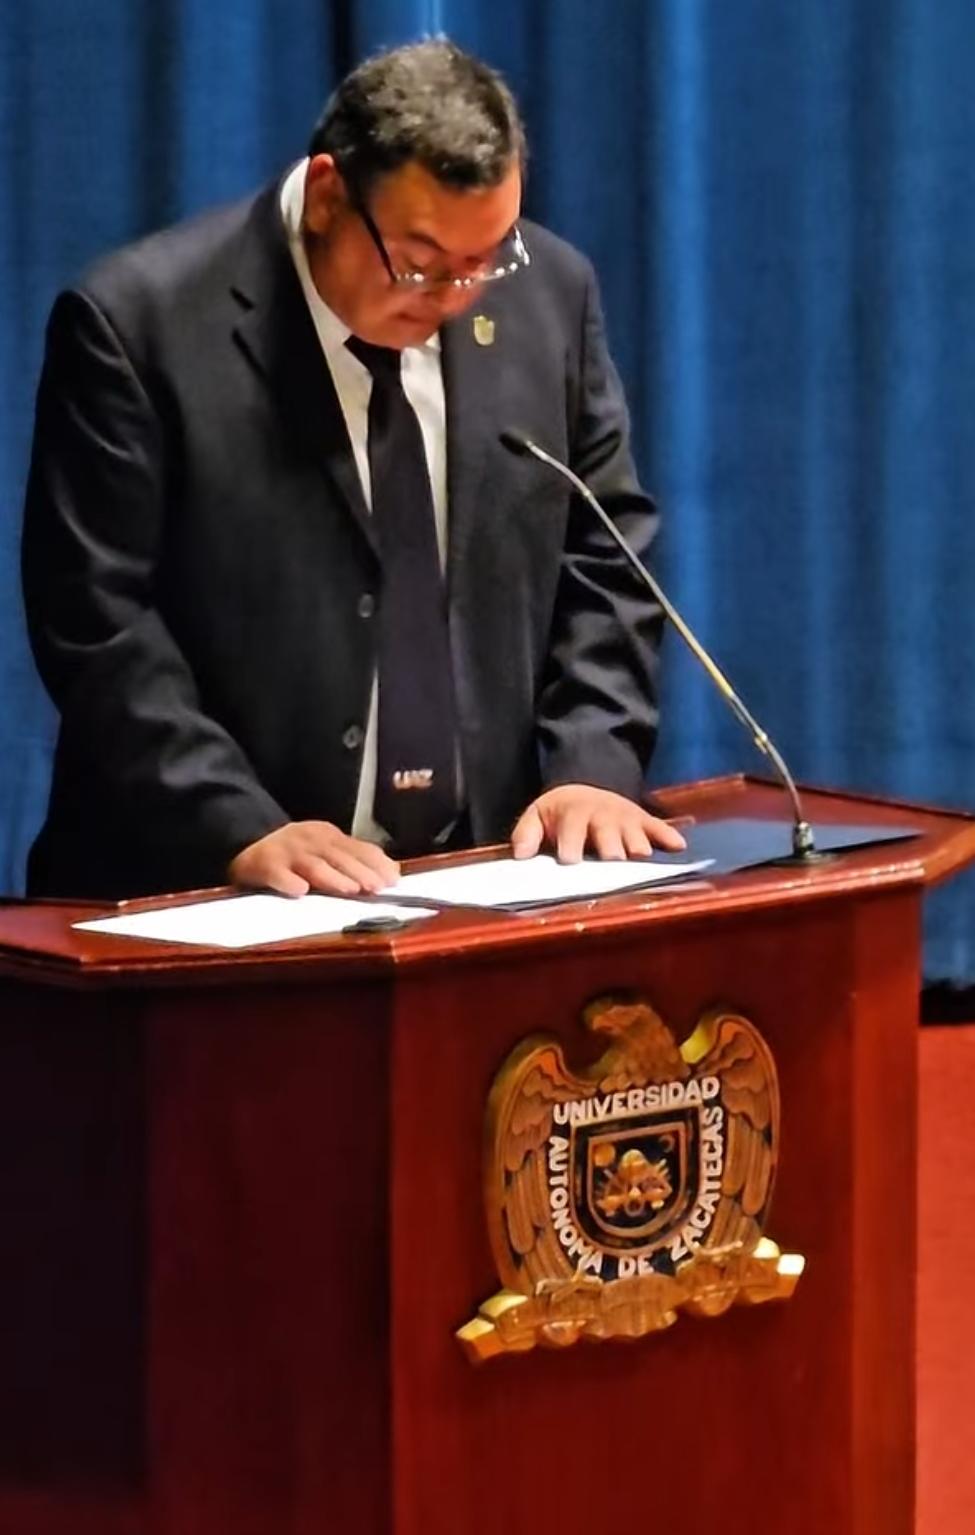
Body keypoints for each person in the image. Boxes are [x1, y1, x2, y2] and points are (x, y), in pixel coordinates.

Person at [21, 38, 685, 902]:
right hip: (206, 892)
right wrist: (237, 823)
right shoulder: (138, 327)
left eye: (485, 260)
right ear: (329, 196)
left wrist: (592, 763)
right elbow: (97, 620)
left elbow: (607, 554)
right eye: (420, 263)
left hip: (480, 881)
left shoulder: (552, 296)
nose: (455, 298)